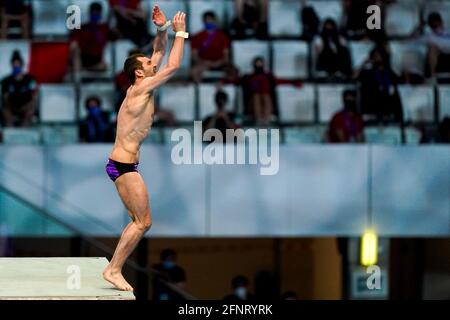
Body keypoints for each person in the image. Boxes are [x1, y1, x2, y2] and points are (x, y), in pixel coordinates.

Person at [102, 6, 188, 291]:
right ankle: (113, 270)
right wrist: (180, 34)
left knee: (137, 220)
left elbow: (159, 52)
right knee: (144, 222)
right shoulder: (141, 89)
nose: (154, 63)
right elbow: (173, 66)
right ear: (140, 72)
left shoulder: (140, 85)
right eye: (148, 64)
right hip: (123, 166)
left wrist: (162, 30)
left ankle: (114, 268)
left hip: (124, 164)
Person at [357, 46, 403, 124]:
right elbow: (354, 76)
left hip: (388, 110)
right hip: (372, 109)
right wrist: (364, 63)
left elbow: (398, 84)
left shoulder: (390, 73)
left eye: (378, 55)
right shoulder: (367, 72)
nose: (376, 58)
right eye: (374, 56)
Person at [69, 2, 116, 76]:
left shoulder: (104, 29)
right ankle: (77, 75)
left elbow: (113, 36)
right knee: (75, 48)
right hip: (83, 57)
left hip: (96, 59)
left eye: (97, 14)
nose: (95, 16)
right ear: (90, 14)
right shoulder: (82, 28)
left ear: (100, 15)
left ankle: (82, 68)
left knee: (103, 65)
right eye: (93, 14)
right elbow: (73, 42)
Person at [191, 11, 231, 83]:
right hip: (204, 64)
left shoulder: (223, 36)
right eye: (207, 20)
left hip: (220, 64)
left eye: (211, 20)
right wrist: (205, 63)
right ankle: (200, 91)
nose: (209, 22)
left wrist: (218, 63)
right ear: (203, 21)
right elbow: (194, 56)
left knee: (232, 72)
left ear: (215, 21)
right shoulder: (197, 36)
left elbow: (226, 56)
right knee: (195, 71)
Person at [1, 50, 37, 127]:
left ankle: (24, 130)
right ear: (11, 66)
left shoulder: (29, 79)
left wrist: (29, 105)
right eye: (14, 65)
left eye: (18, 65)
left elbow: (34, 94)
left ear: (22, 65)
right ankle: (10, 131)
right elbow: (4, 97)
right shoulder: (6, 80)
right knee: (5, 112)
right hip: (12, 106)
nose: (16, 66)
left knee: (30, 110)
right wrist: (11, 105)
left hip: (25, 106)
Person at [422, 12, 450, 79]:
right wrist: (420, 26)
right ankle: (432, 76)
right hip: (439, 51)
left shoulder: (448, 32)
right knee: (432, 49)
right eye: (433, 26)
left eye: (437, 24)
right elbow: (413, 39)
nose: (436, 27)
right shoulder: (429, 35)